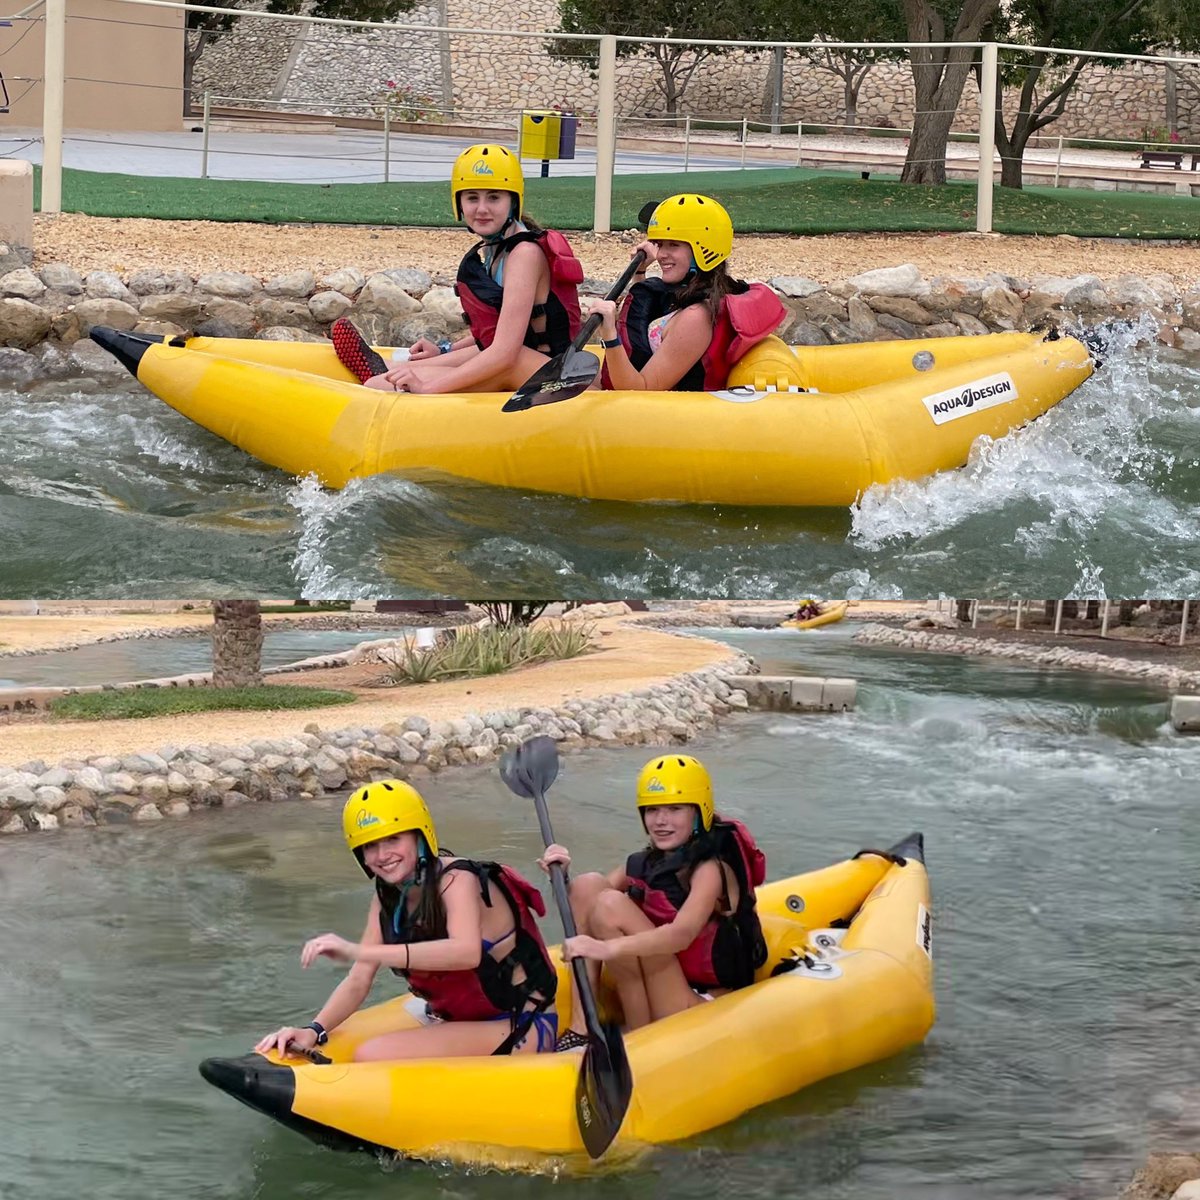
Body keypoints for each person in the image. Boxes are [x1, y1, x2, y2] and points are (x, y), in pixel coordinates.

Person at [256, 779, 558, 1062]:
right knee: (367, 1052)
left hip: (522, 1023)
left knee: (370, 1055)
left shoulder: (458, 881)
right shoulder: (387, 899)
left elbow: (465, 952)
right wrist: (314, 1030)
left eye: (393, 840)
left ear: (420, 835)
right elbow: (359, 979)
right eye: (370, 845)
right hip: (462, 1018)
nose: (382, 854)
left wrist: (359, 950)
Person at [538, 754, 766, 1050]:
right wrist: (560, 875)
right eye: (653, 809)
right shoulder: (650, 860)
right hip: (661, 981)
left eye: (675, 809)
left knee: (610, 905)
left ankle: (638, 1036)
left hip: (696, 1002)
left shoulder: (710, 869)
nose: (661, 820)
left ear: (700, 811)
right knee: (587, 885)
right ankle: (582, 1029)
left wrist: (606, 948)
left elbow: (680, 935)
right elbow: (583, 904)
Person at [331, 143, 583, 394]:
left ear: (513, 202)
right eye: (472, 197)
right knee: (394, 374)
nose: (482, 208)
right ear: (459, 203)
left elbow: (505, 353)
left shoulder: (524, 254)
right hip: (524, 362)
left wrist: (427, 387)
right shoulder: (498, 249)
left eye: (494, 197)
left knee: (379, 384)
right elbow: (499, 330)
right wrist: (446, 350)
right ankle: (389, 365)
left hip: (554, 376)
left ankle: (388, 371)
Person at [592, 193, 787, 393]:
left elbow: (641, 391)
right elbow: (648, 328)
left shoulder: (696, 318)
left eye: (673, 245)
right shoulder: (697, 295)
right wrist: (640, 273)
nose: (660, 255)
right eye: (660, 244)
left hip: (656, 414)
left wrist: (610, 335)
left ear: (703, 249)